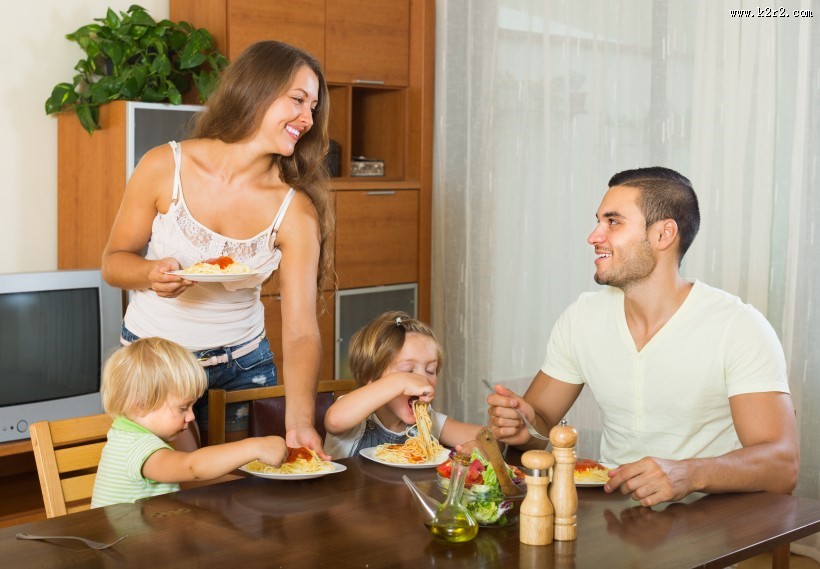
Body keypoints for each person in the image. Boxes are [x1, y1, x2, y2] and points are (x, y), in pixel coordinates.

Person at [488, 166, 799, 507]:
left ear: (664, 234)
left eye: (613, 222)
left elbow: (782, 466)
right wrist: (524, 430)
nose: (594, 236)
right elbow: (539, 427)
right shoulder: (582, 317)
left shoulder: (738, 326)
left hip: (709, 526)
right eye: (598, 221)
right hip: (613, 513)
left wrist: (687, 474)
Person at [101, 41, 333, 455]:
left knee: (239, 504)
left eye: (313, 107)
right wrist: (150, 276)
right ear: (256, 89)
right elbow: (113, 263)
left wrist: (299, 422)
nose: (307, 118)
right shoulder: (164, 166)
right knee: (160, 506)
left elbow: (300, 332)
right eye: (298, 100)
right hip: (155, 370)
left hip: (243, 368)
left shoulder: (295, 210)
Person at [91, 337, 288, 508]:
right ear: (140, 405)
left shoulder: (130, 434)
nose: (191, 417)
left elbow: (187, 480)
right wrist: (255, 447)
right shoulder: (136, 447)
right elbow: (191, 467)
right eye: (183, 408)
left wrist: (254, 485)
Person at [324, 311, 482, 459]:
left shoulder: (427, 419)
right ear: (372, 377)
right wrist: (401, 382)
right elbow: (334, 420)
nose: (422, 380)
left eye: (430, 370)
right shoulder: (355, 415)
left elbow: (486, 437)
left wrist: (476, 446)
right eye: (408, 371)